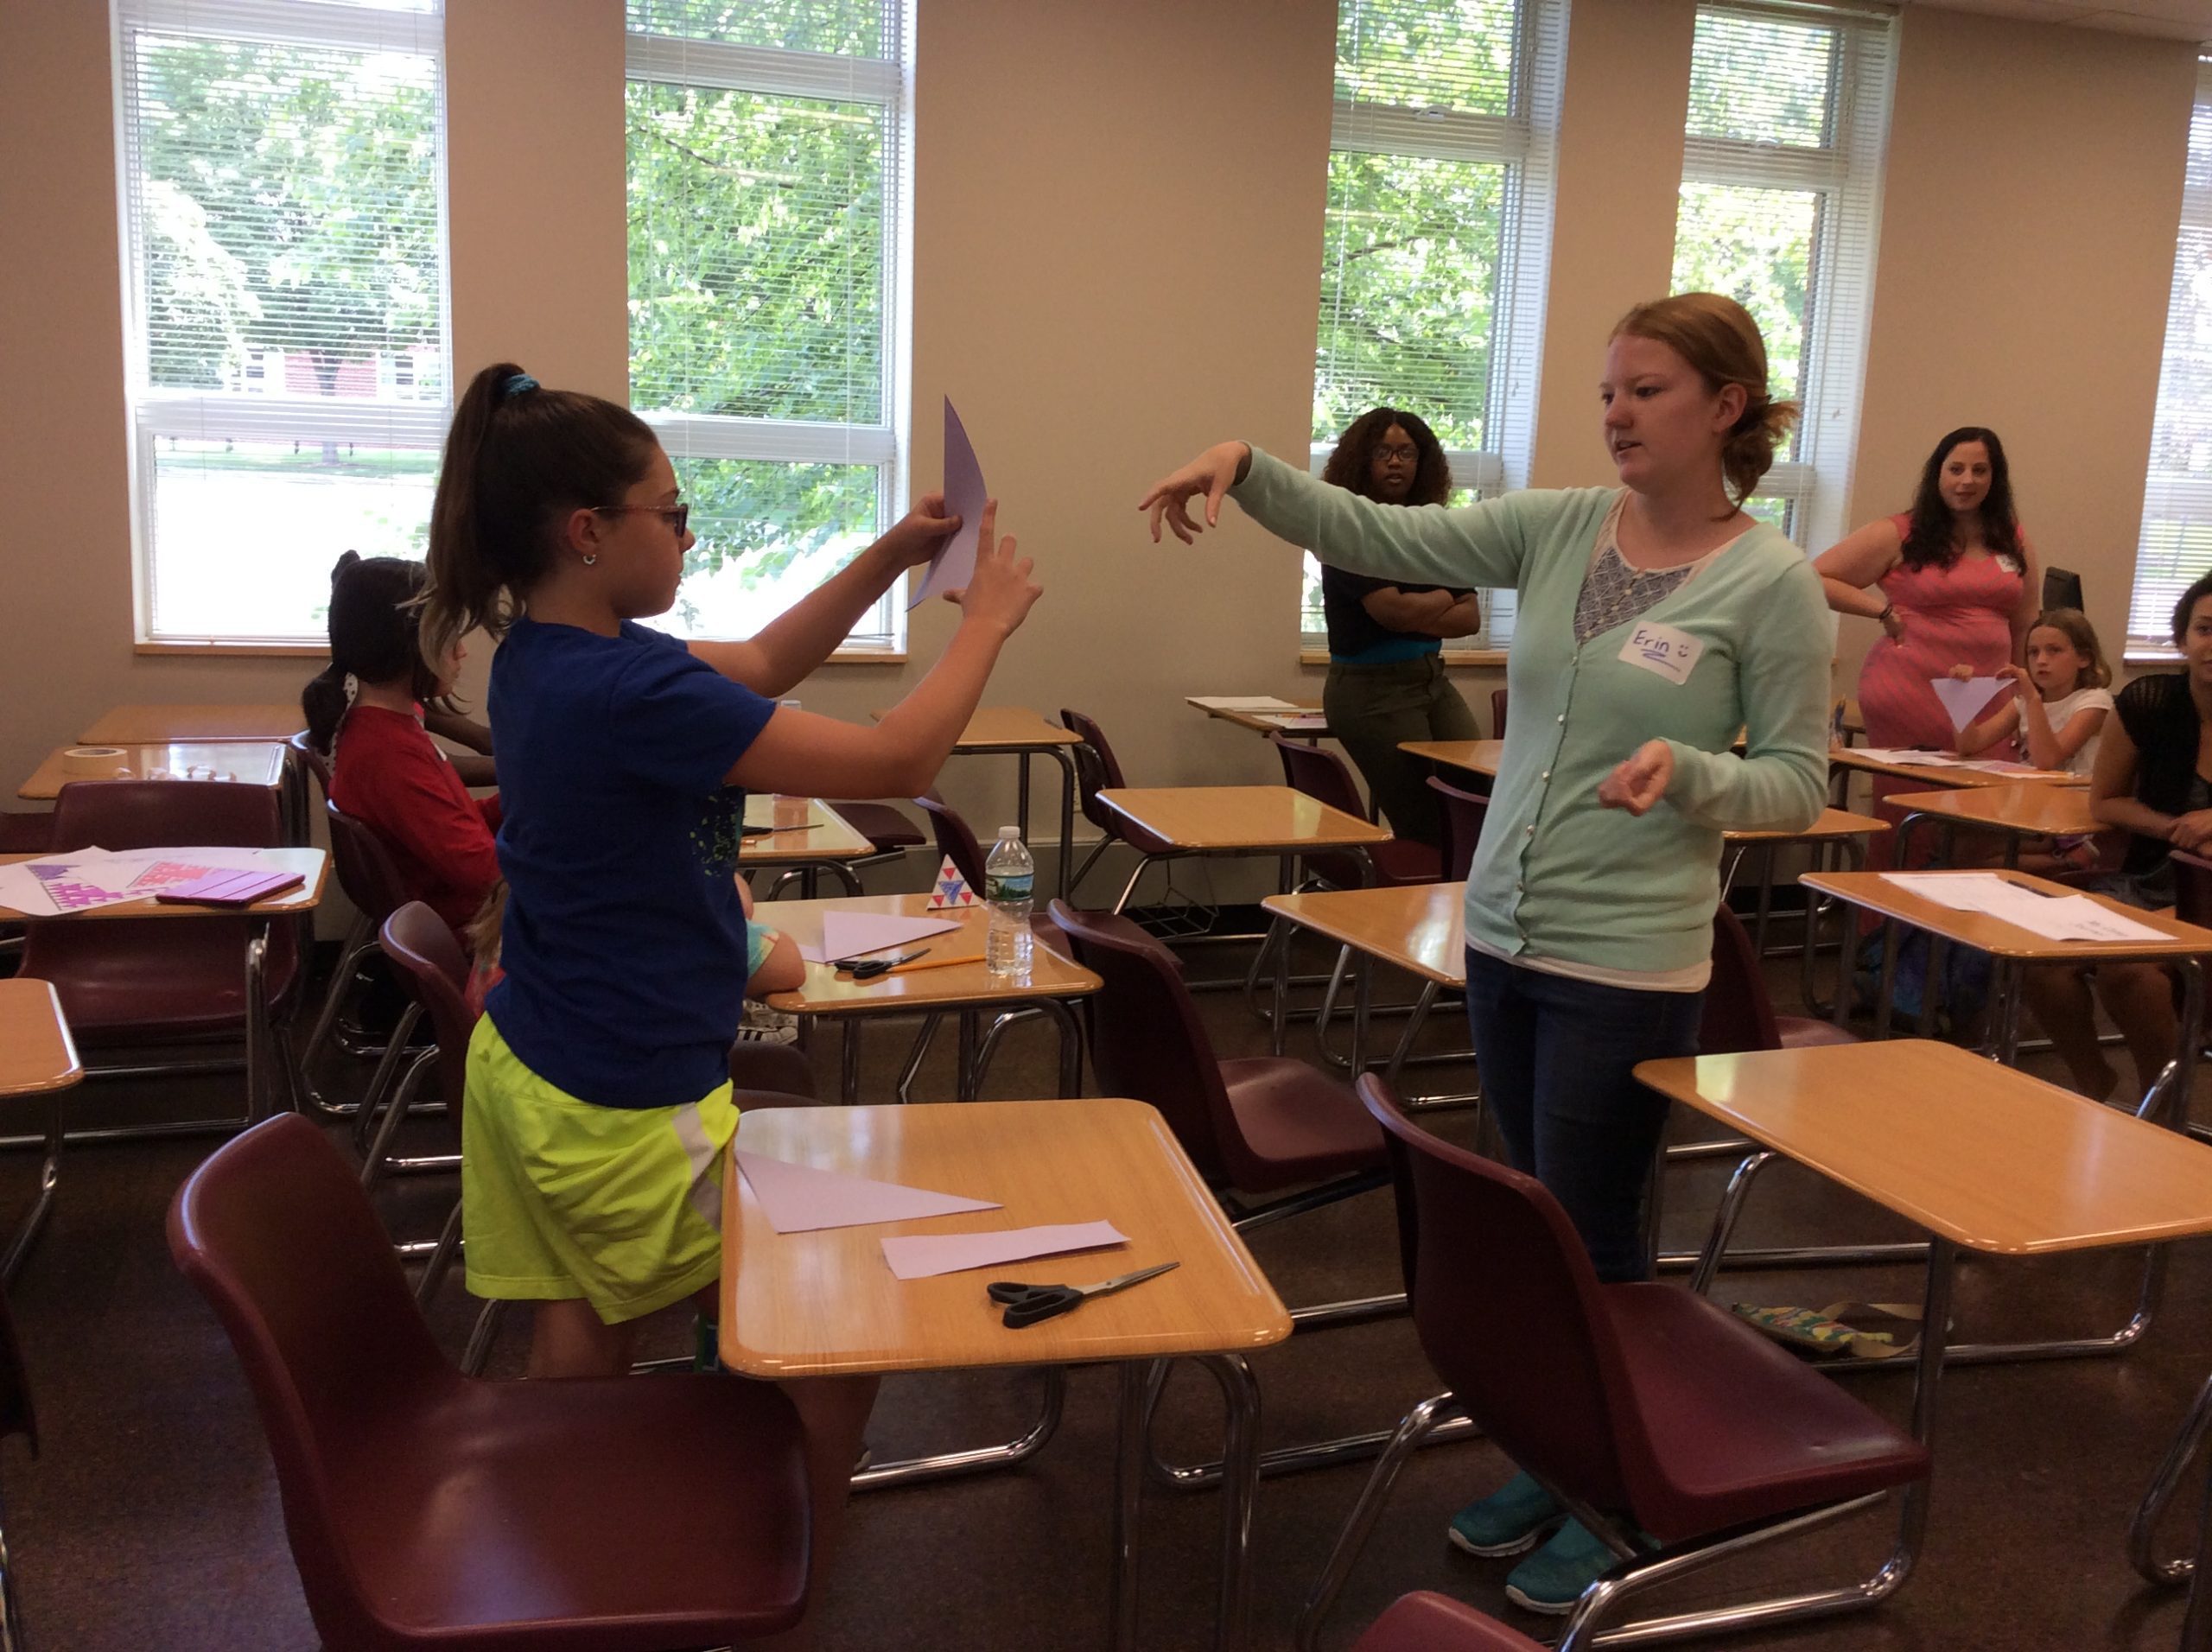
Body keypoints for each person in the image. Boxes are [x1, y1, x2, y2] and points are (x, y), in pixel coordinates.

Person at [1139, 292, 1828, 1613]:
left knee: (1596, 1239)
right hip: (1506, 937)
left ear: (1726, 409)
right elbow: (1381, 529)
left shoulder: (1772, 583)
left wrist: (1690, 771)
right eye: (1609, 390)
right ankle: (1557, 1455)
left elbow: (1798, 779)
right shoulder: (1568, 524)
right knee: (1532, 1220)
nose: (1616, 412)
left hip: (1627, 960)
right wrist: (1246, 466)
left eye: (1647, 390)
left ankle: (1617, 1498)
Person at [419, 361, 1039, 1617]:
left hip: (533, 1062)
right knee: (844, 1321)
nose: (690, 529)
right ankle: (773, 1585)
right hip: (622, 1097)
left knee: (583, 1331)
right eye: (672, 509)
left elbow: (757, 658)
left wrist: (892, 555)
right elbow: (899, 757)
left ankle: (588, 1568)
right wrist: (984, 621)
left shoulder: (544, 656)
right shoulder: (627, 688)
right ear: (589, 533)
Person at [2021, 574, 2212, 1102]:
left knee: (2129, 973)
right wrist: (2177, 828)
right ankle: (2093, 1084)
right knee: (2039, 956)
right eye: (2204, 629)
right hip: (2150, 877)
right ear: (2182, 640)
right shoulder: (2148, 700)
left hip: (2206, 896)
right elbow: (2105, 801)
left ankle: (2163, 1104)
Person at [1815, 427, 2038, 846]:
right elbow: (1813, 577)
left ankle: (1965, 909)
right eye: (1955, 469)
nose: (1966, 480)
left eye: (1979, 470)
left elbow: (2026, 620)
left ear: (1995, 478)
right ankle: (1889, 909)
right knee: (1914, 811)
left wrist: (2026, 697)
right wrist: (1879, 610)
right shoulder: (1901, 531)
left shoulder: (2012, 537)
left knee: (1982, 817)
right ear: (1937, 474)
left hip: (1991, 693)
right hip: (1912, 689)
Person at [301, 552, 501, 935]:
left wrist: (530, 799)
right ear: (406, 644)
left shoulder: (387, 728)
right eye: (448, 637)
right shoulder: (388, 755)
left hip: (464, 909)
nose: (462, 651)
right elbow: (485, 875)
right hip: (474, 926)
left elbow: (455, 824)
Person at [1313, 408, 1482, 847]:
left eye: (1407, 453)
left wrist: (1420, 605)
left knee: (1479, 798)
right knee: (1425, 825)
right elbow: (1393, 613)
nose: (1395, 462)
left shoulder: (1434, 527)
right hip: (1370, 692)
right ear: (1361, 460)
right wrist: (1446, 594)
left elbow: (1472, 619)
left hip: (1432, 680)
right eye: (1383, 452)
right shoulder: (1347, 528)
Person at [1954, 607, 2113, 778]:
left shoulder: (2095, 701)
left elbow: (2047, 760)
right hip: (2034, 792)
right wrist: (1959, 696)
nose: (2041, 661)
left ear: (2084, 658)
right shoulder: (2024, 701)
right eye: (2033, 652)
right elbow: (1969, 745)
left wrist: (2032, 698)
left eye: (2054, 650)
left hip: (2074, 796)